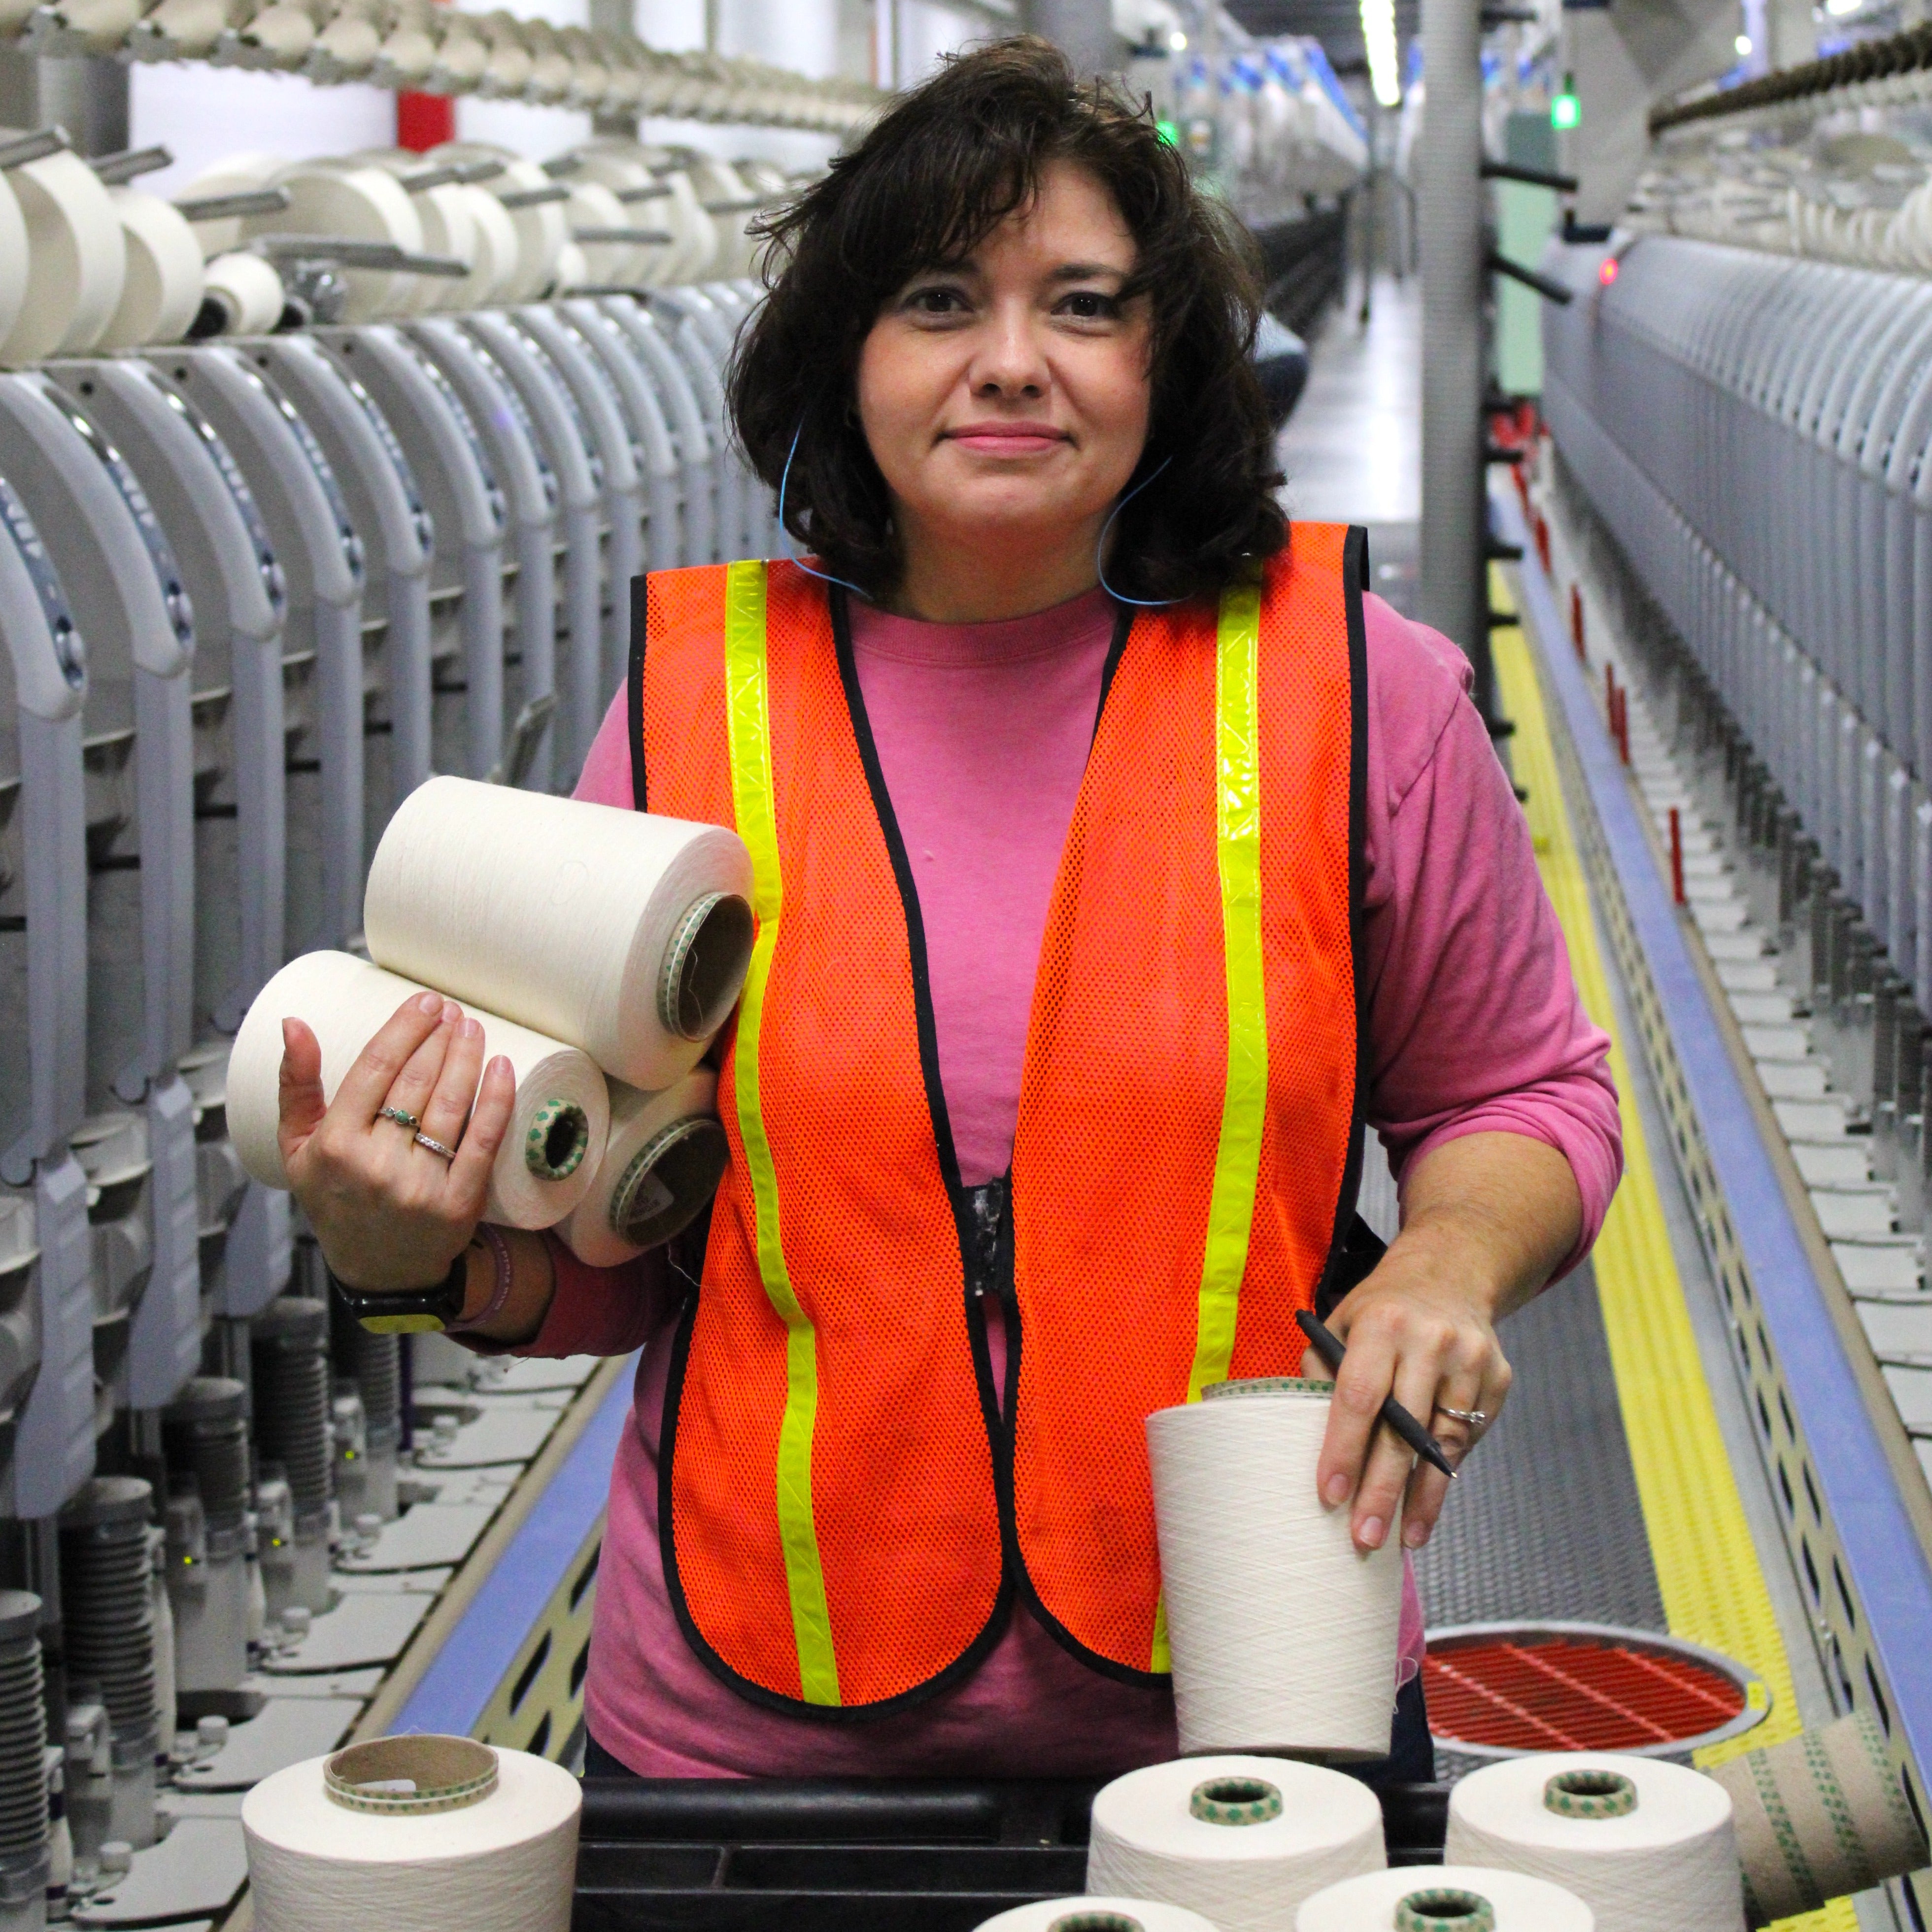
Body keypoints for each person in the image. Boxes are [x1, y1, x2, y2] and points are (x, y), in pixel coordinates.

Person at [280, 39, 1622, 1781]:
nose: (1010, 364)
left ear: (1169, 357)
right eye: (936, 301)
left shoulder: (1357, 693)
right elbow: (613, 1258)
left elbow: (1527, 1093)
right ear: (847, 356)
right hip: (746, 1747)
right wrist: (409, 1257)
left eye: (1082, 305)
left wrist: (1446, 1256)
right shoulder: (695, 723)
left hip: (1249, 1708)